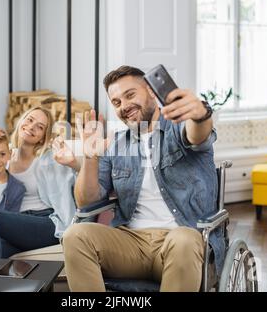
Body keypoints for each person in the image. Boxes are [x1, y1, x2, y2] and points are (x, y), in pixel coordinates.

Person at [62, 65, 222, 292]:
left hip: (179, 240)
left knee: (184, 239)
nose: (124, 106)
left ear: (150, 90)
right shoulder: (116, 145)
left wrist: (199, 114)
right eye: (116, 102)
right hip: (130, 243)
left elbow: (198, 134)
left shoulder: (178, 127)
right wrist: (90, 157)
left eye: (130, 95)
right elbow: (86, 203)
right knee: (75, 235)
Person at [0, 106, 79, 259]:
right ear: (21, 121)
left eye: (40, 127)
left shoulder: (48, 159)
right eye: (30, 120)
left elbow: (76, 181)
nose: (32, 127)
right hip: (17, 224)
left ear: (42, 137)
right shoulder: (4, 156)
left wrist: (74, 164)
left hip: (45, 223)